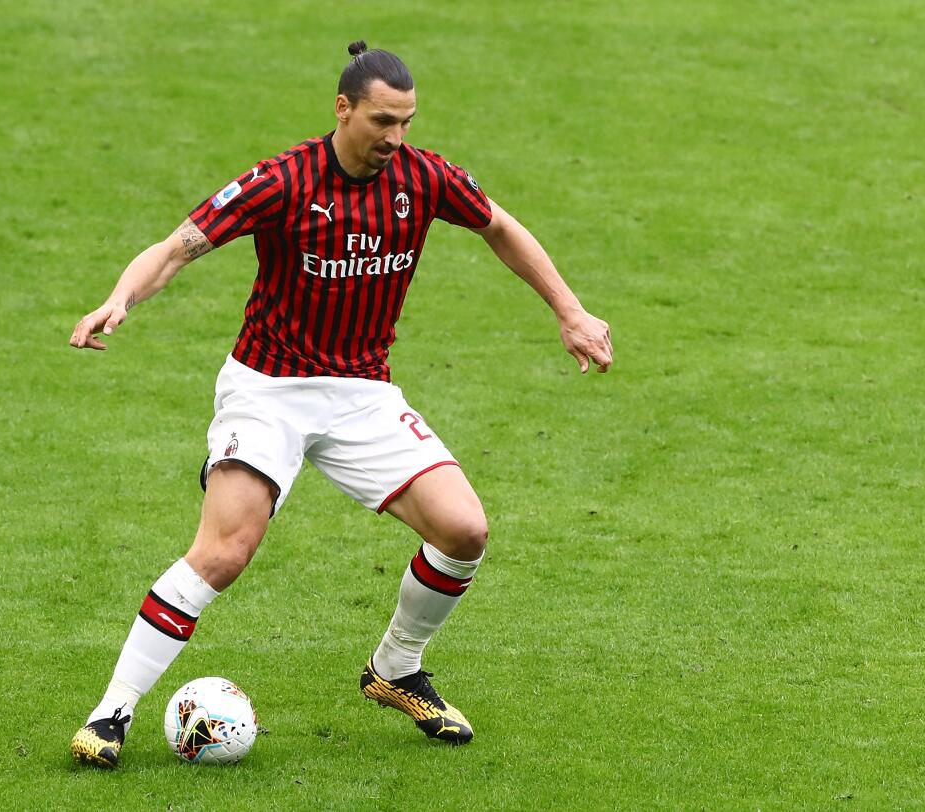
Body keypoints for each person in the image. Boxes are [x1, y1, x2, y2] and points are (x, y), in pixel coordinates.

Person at [68, 41, 613, 768]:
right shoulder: (283, 182)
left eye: (407, 122)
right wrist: (118, 300)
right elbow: (176, 247)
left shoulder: (423, 178)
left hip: (361, 392)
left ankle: (394, 668)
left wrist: (569, 311)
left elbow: (500, 228)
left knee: (464, 530)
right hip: (268, 387)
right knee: (227, 550)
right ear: (343, 108)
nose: (395, 138)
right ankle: (111, 714)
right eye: (383, 120)